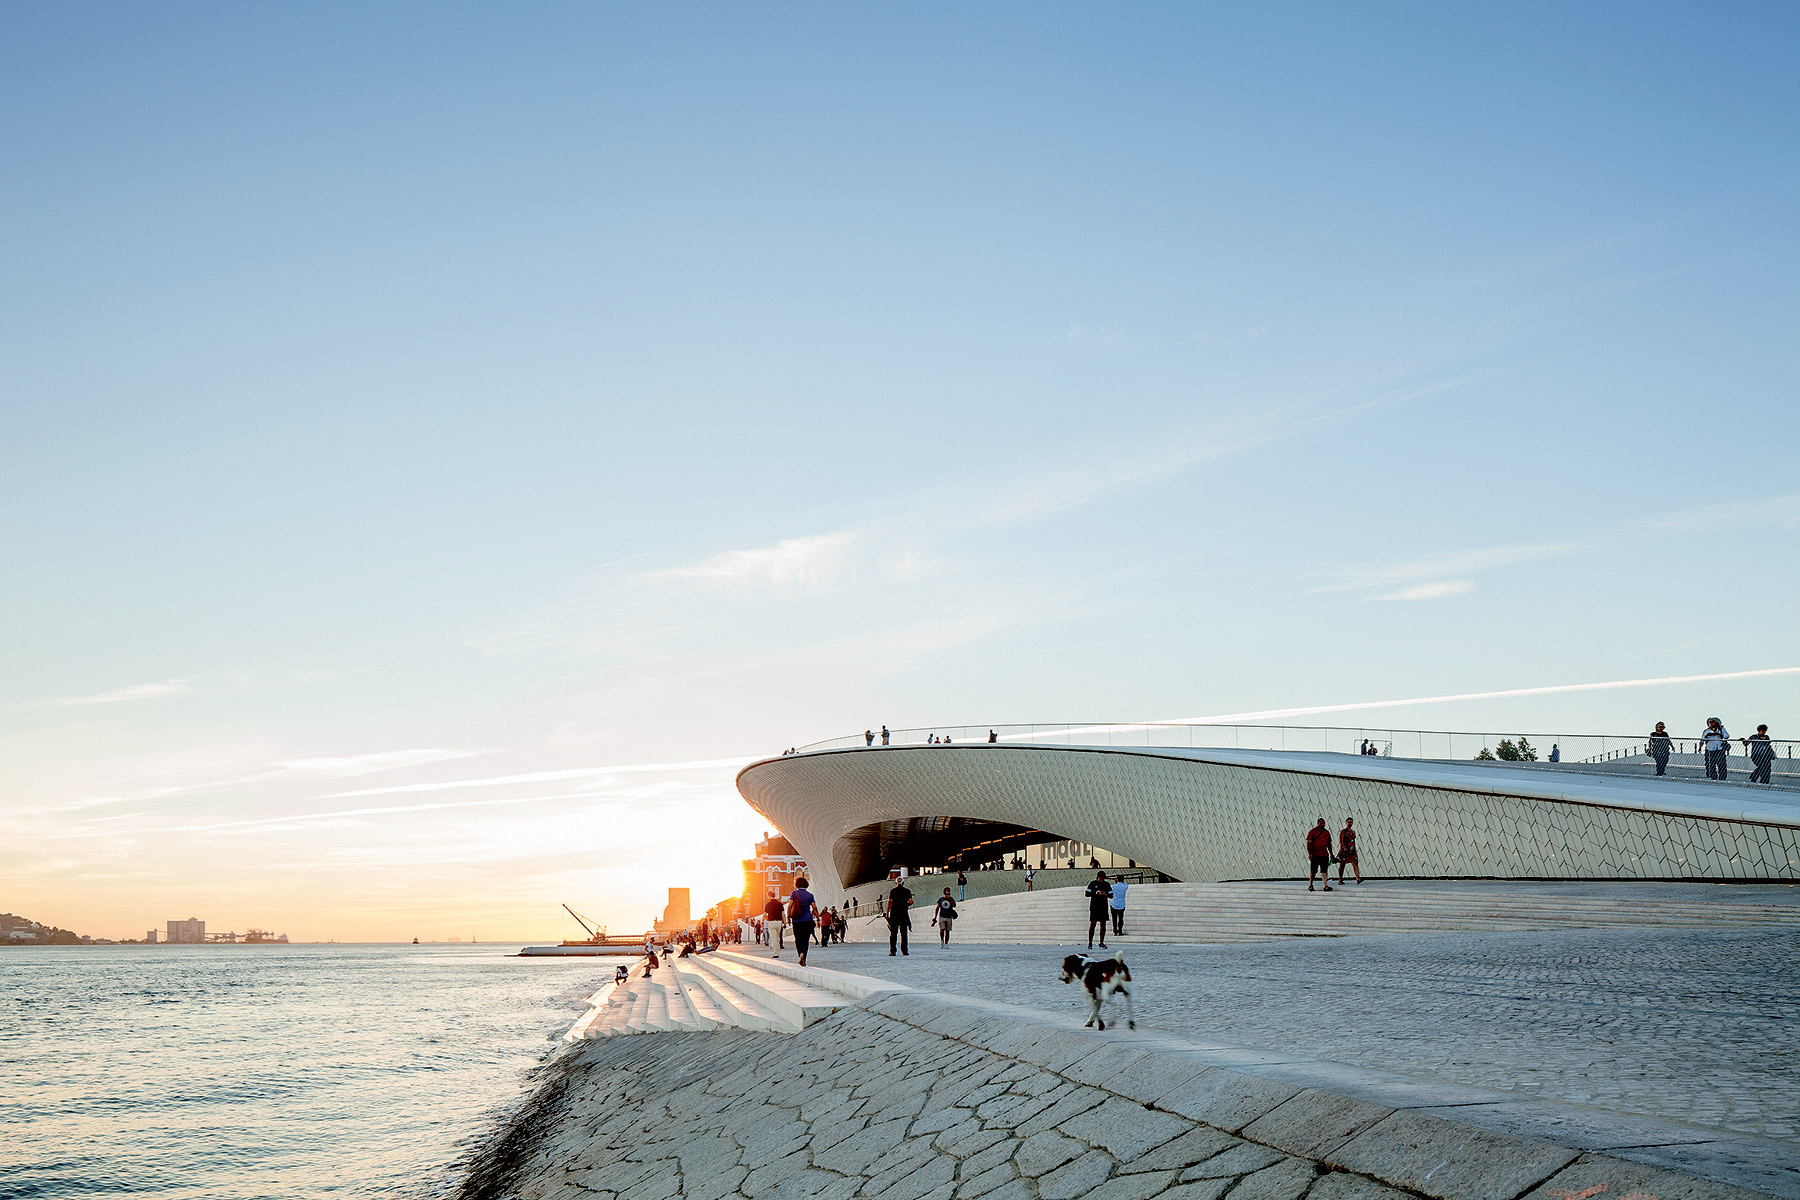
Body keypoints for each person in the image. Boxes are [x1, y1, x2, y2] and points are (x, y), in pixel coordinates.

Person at [787, 876, 817, 967]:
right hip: (807, 919)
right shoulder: (810, 895)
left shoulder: (794, 893)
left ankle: (800, 953)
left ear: (797, 884)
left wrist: (788, 917)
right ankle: (804, 955)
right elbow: (814, 907)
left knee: (798, 938)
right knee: (805, 939)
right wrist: (818, 918)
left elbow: (790, 906)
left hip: (797, 920)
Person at [886, 876, 913, 955]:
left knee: (893, 933)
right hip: (904, 913)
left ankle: (893, 951)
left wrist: (887, 913)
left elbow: (890, 902)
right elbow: (911, 902)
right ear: (903, 883)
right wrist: (905, 904)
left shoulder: (893, 891)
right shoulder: (907, 891)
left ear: (896, 883)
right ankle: (905, 951)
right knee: (904, 933)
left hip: (894, 913)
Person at [1084, 871, 1111, 949]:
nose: (1101, 879)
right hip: (1094, 907)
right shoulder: (1092, 883)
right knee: (1093, 924)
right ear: (1098, 877)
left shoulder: (1106, 884)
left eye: (1102, 878)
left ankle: (1101, 942)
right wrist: (1095, 893)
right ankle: (1090, 943)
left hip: (1103, 907)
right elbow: (1087, 893)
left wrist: (1105, 894)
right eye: (1100, 878)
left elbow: (1111, 895)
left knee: (1103, 925)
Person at [1306, 818, 1334, 892]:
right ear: (1318, 823)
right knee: (1313, 870)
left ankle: (1325, 885)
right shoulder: (1312, 832)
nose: (1323, 825)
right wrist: (1310, 853)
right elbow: (1308, 843)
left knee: (1324, 870)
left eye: (1324, 823)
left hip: (1324, 854)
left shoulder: (1326, 832)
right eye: (1321, 823)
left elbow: (1329, 844)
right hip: (1315, 854)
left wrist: (1331, 854)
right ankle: (1310, 884)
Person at [1336, 817, 1362, 884]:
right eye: (1348, 822)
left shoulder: (1353, 832)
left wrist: (1354, 850)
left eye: (1351, 822)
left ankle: (1358, 878)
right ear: (1346, 823)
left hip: (1352, 850)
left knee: (1355, 863)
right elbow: (1341, 841)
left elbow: (1353, 841)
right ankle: (1340, 879)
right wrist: (1344, 848)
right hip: (1345, 850)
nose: (1350, 823)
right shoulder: (1343, 832)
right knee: (1342, 864)